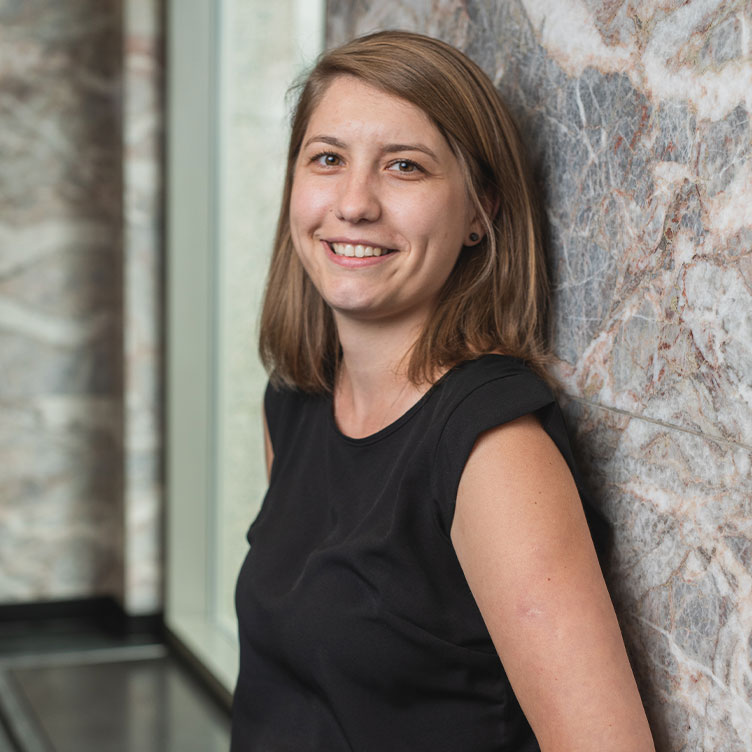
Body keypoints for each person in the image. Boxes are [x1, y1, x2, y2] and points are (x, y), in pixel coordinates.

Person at [231, 30, 655, 752]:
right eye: (327, 159)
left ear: (479, 213)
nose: (355, 203)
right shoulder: (295, 404)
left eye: (405, 167)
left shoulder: (491, 445)